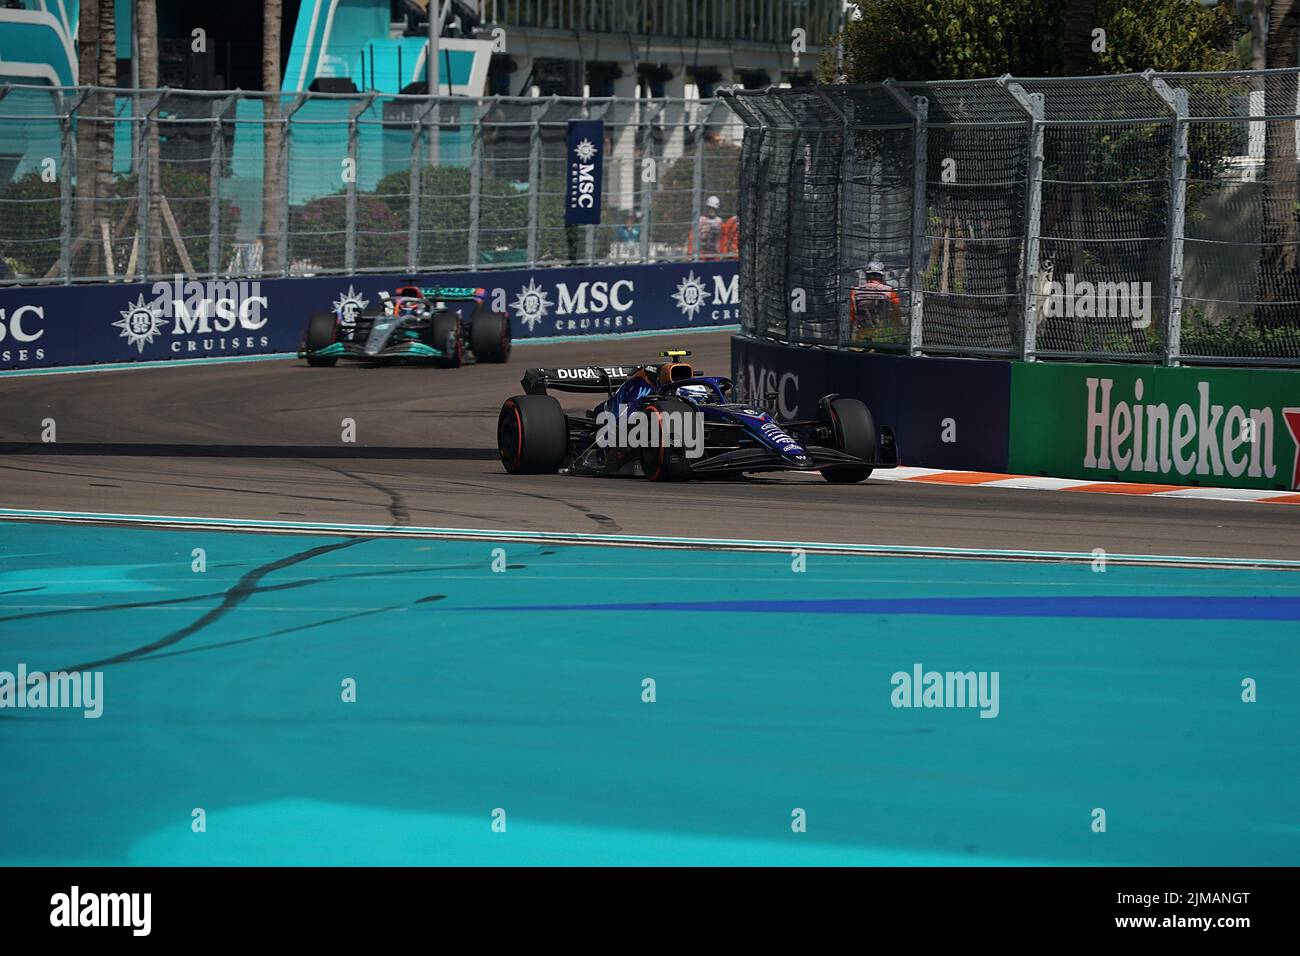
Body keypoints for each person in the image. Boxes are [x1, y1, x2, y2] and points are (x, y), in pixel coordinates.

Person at [849, 258, 903, 343]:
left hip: (862, 337)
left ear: (867, 275)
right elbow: (896, 314)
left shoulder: (855, 291)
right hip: (883, 337)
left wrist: (849, 334)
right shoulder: (889, 291)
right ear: (882, 276)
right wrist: (900, 333)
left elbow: (851, 315)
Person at [688, 195, 724, 259]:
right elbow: (692, 236)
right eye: (710, 208)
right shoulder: (700, 220)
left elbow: (723, 238)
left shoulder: (719, 222)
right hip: (702, 255)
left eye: (713, 208)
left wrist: (723, 252)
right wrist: (690, 252)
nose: (711, 210)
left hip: (715, 255)